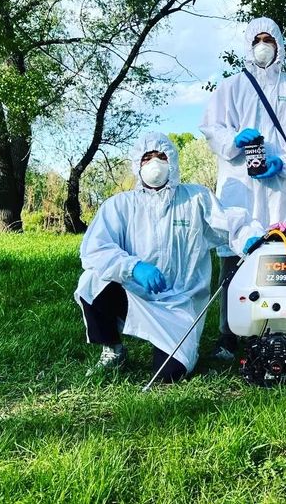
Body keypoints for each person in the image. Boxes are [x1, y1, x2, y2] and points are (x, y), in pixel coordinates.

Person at [75, 132, 264, 383]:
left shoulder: (196, 198)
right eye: (147, 157)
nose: (154, 163)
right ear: (137, 163)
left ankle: (175, 347)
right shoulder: (119, 205)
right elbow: (95, 250)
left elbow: (231, 224)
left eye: (161, 156)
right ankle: (113, 348)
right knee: (91, 281)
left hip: (181, 304)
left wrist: (250, 237)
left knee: (170, 374)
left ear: (172, 161)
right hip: (136, 293)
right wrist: (134, 267)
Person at [200, 17, 286, 359]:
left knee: (282, 257)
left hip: (280, 184)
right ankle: (228, 334)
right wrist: (234, 139)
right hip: (240, 185)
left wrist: (283, 161)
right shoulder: (231, 87)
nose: (263, 45)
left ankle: (284, 328)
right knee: (234, 255)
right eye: (257, 40)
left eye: (269, 39)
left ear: (279, 45)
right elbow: (211, 127)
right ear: (248, 45)